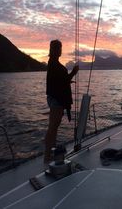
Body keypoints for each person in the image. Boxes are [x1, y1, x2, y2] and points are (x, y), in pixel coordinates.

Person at [44, 39, 79, 167]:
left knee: (54, 127)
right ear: (52, 50)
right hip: (56, 100)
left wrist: (67, 80)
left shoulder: (53, 64)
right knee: (53, 128)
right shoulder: (54, 64)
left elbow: (58, 81)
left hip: (55, 98)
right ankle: (47, 157)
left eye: (60, 47)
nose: (59, 50)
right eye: (57, 47)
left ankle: (50, 154)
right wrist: (73, 73)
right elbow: (62, 80)